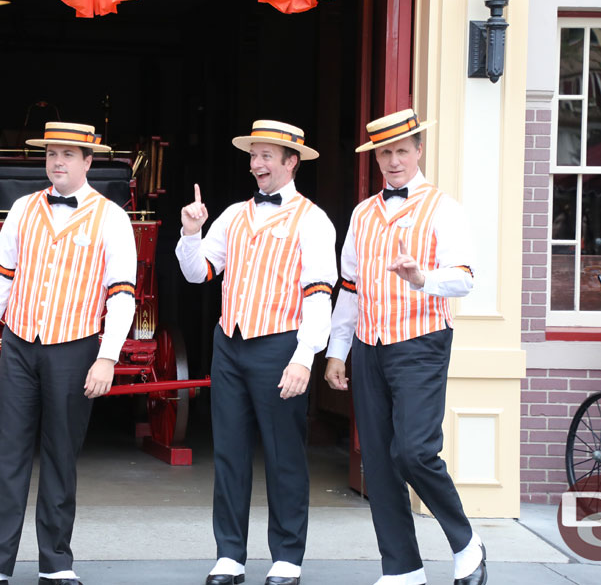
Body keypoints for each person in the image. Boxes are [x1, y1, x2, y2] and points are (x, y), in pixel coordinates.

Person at [0, 122, 137, 585]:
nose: (58, 161)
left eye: (68, 154)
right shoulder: (23, 208)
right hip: (21, 344)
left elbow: (122, 294)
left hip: (76, 346)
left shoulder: (112, 217)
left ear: (88, 162)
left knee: (61, 455)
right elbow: (0, 278)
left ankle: (56, 562)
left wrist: (108, 357)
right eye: (51, 154)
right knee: (8, 454)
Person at [323, 109, 485, 585]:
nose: (393, 161)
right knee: (376, 457)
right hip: (369, 344)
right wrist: (338, 350)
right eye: (384, 153)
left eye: (401, 150)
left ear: (418, 150)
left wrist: (422, 278)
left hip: (421, 342)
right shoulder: (362, 212)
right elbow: (349, 287)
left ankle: (465, 541)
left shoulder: (444, 208)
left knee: (413, 452)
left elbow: (464, 280)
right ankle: (403, 567)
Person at [177, 120, 337, 585]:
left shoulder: (313, 219)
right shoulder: (230, 215)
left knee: (285, 453)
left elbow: (319, 294)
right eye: (254, 155)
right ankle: (230, 554)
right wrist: (191, 233)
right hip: (229, 343)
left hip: (281, 345)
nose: (257, 164)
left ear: (292, 162)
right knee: (228, 451)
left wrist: (305, 357)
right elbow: (197, 273)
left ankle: (287, 556)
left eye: (267, 155)